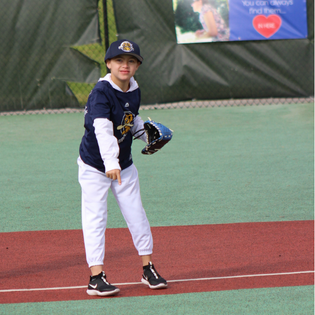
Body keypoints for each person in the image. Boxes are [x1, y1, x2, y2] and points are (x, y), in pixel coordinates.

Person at [77, 39, 167, 297]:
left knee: (137, 214)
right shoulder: (101, 93)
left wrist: (147, 135)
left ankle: (148, 268)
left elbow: (130, 120)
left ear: (137, 65)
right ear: (108, 63)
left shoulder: (133, 89)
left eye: (131, 61)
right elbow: (103, 130)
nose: (125, 65)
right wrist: (111, 163)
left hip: (123, 165)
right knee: (96, 219)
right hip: (95, 165)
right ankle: (96, 278)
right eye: (119, 60)